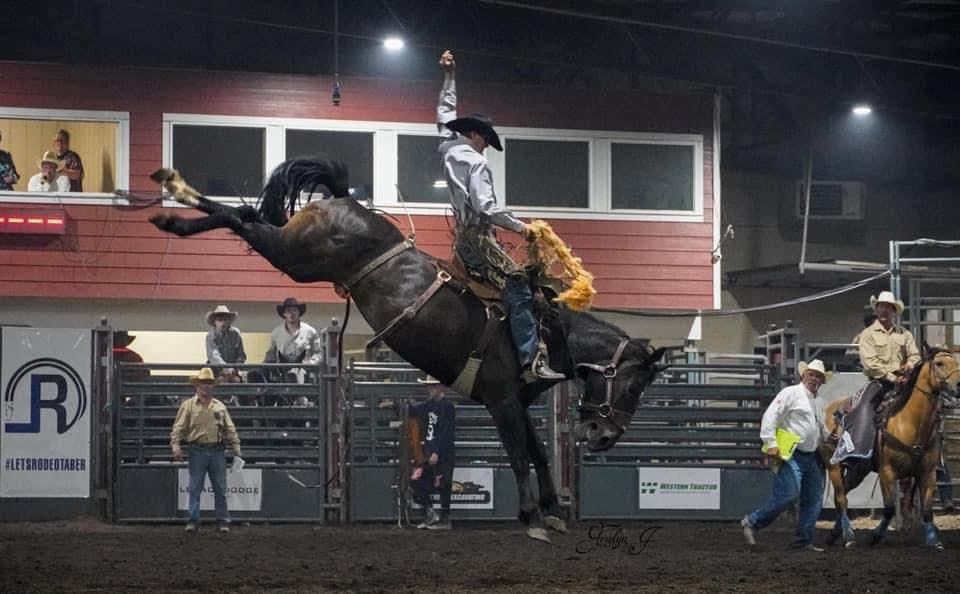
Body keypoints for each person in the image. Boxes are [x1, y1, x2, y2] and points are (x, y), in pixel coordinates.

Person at [436, 49, 563, 382]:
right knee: (518, 286)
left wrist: (449, 76)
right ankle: (529, 360)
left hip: (463, 236)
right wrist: (523, 229)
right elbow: (486, 209)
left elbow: (444, 112)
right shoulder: (476, 163)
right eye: (486, 141)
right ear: (477, 135)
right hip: (477, 236)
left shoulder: (447, 145)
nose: (485, 148)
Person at [740, 359, 831, 552]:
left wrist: (831, 437)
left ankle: (803, 541)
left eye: (818, 377)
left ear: (822, 381)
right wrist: (770, 442)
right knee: (790, 494)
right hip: (790, 453)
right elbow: (771, 415)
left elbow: (820, 427)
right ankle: (752, 521)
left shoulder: (819, 402)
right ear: (804, 375)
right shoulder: (791, 393)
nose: (814, 379)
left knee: (814, 498)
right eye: (812, 374)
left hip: (810, 455)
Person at [831, 291, 920, 467]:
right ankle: (854, 452)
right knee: (863, 410)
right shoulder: (868, 334)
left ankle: (933, 455)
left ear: (894, 311)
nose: (885, 310)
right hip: (880, 382)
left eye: (889, 307)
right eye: (881, 307)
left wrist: (909, 365)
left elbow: (915, 355)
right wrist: (893, 378)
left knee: (927, 406)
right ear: (876, 310)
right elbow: (871, 364)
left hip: (904, 381)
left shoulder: (905, 334)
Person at [170, 367, 242, 533]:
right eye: (204, 383)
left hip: (216, 450)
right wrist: (176, 445)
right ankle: (194, 520)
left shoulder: (220, 407)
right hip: (197, 450)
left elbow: (229, 428)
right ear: (197, 386)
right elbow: (178, 427)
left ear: (213, 386)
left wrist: (236, 447)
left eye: (209, 383)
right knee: (196, 487)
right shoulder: (188, 406)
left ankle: (221, 520)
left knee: (220, 489)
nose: (206, 386)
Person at [410, 375, 456, 530]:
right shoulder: (428, 405)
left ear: (440, 387)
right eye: (429, 386)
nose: (430, 389)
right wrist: (394, 404)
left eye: (433, 386)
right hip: (430, 453)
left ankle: (444, 519)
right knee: (416, 480)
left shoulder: (448, 407)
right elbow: (413, 409)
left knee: (444, 484)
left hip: (443, 454)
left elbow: (447, 432)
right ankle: (431, 513)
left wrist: (436, 452)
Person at [263, 297, 321, 385]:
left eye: (294, 310)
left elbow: (319, 354)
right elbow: (270, 356)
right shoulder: (276, 333)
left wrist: (309, 364)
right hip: (282, 376)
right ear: (284, 314)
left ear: (299, 312)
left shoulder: (310, 331)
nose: (291, 313)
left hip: (305, 376)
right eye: (288, 311)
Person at [205, 304, 246, 383]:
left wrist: (234, 368)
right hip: (216, 370)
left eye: (225, 320)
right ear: (215, 322)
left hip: (234, 370)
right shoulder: (210, 335)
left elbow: (241, 355)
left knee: (241, 381)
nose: (222, 323)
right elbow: (213, 356)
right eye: (220, 320)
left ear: (229, 321)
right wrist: (226, 368)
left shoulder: (236, 333)